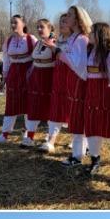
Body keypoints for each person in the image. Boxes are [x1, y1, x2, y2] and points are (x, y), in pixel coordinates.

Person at [83, 22, 110, 174]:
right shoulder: (89, 50)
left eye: (92, 32)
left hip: (107, 95)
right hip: (91, 93)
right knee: (92, 126)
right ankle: (95, 158)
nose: (89, 35)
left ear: (100, 35)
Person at [0, 15, 39, 147]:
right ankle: (4, 134)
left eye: (16, 22)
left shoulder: (31, 39)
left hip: (28, 72)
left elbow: (37, 57)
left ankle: (29, 134)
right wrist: (4, 78)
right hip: (13, 73)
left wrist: (34, 73)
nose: (13, 25)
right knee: (11, 103)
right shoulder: (8, 41)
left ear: (23, 23)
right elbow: (6, 61)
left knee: (28, 103)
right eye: (11, 23)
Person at [58, 5, 93, 167]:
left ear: (78, 19)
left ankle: (77, 156)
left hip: (80, 81)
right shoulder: (74, 37)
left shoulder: (82, 39)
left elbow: (79, 65)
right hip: (73, 80)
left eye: (71, 15)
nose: (67, 18)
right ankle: (81, 151)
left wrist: (60, 55)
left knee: (78, 117)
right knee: (75, 116)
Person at [40, 13, 71, 153]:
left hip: (72, 76)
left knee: (72, 109)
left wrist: (54, 48)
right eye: (60, 21)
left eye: (65, 21)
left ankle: (78, 139)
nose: (62, 24)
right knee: (56, 108)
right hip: (59, 76)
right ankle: (51, 140)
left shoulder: (77, 40)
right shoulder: (58, 40)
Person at [24, 19, 56, 148]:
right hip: (36, 76)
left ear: (50, 28)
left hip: (49, 76)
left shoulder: (54, 42)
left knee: (50, 107)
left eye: (42, 27)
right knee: (34, 106)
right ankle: (30, 137)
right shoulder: (38, 43)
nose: (39, 29)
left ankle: (50, 139)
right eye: (37, 27)